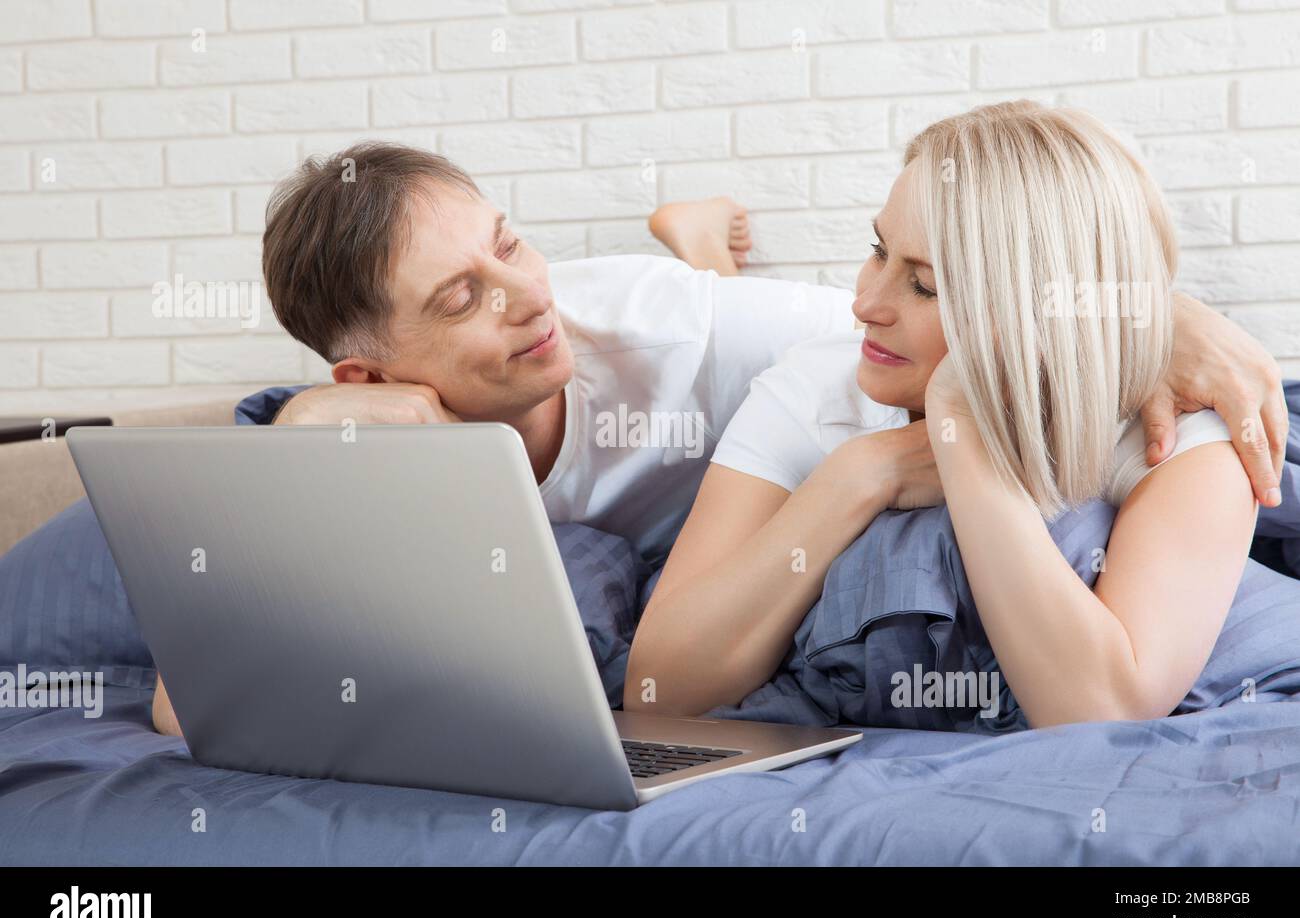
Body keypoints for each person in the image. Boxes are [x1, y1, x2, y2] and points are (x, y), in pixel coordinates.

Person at [153, 139, 1286, 737]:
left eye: (513, 243)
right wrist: (305, 430)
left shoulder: (685, 334)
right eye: (461, 299)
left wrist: (1153, 315)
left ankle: (694, 245)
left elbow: (954, 322)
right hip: (695, 541)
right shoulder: (373, 429)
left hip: (705, 402)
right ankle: (695, 232)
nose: (524, 298)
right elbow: (184, 698)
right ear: (371, 372)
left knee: (711, 309)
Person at [627, 100, 1285, 730]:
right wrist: (865, 472)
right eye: (878, 250)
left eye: (925, 285)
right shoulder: (814, 385)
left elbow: (1102, 708)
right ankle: (704, 248)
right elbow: (658, 691)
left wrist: (960, 429)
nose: (865, 305)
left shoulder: (1182, 440)